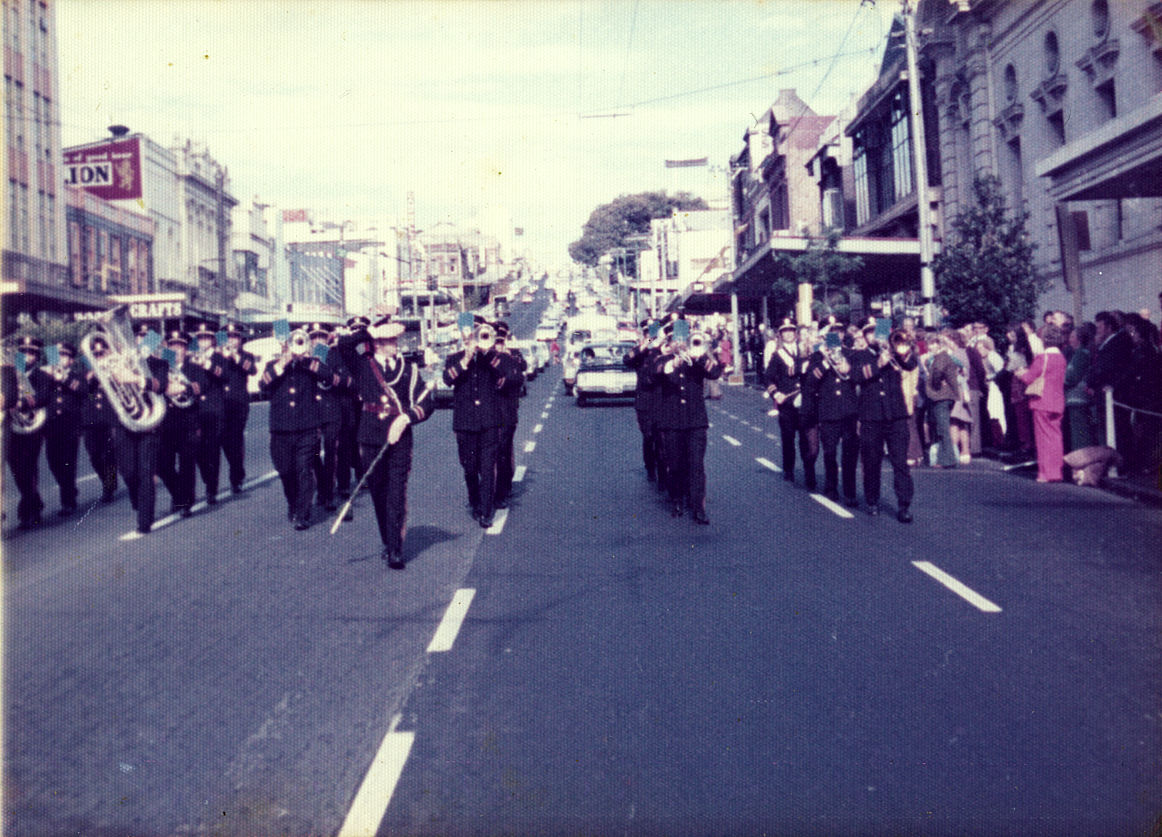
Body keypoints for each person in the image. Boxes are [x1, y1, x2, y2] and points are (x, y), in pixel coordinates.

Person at [350, 316, 433, 569]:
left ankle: (396, 549)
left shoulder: (409, 369)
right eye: (388, 340)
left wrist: (406, 418)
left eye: (394, 339)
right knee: (379, 493)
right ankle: (388, 541)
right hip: (371, 435)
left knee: (396, 493)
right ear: (377, 343)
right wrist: (369, 329)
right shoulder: (362, 366)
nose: (395, 343)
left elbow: (426, 403)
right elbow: (344, 345)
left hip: (400, 437)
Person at [260, 326, 333, 530]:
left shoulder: (310, 365)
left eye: (300, 343)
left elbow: (328, 376)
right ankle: (293, 503)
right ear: (284, 346)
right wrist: (283, 363)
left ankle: (303, 513)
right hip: (280, 429)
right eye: (291, 344)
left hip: (307, 428)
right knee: (285, 471)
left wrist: (308, 361)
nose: (294, 348)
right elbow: (263, 385)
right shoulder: (272, 365)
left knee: (304, 470)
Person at [650, 321, 721, 523]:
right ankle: (677, 500)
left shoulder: (699, 360)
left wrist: (704, 357)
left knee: (696, 465)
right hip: (672, 422)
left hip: (696, 421)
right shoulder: (662, 359)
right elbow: (653, 374)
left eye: (683, 339)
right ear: (670, 342)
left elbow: (715, 373)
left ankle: (698, 507)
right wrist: (674, 363)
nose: (680, 343)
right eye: (676, 340)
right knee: (675, 464)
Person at [852, 327, 919, 522]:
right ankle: (872, 500)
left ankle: (904, 505)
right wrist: (877, 365)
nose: (875, 337)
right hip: (871, 416)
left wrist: (903, 351)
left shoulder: (894, 354)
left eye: (877, 332)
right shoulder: (860, 355)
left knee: (900, 462)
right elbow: (856, 377)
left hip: (896, 415)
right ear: (865, 337)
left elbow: (911, 364)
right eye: (870, 333)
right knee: (872, 461)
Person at [444, 316, 504, 528]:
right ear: (464, 336)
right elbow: (447, 379)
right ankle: (475, 500)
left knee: (487, 468)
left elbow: (502, 375)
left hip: (488, 422)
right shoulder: (454, 358)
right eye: (471, 335)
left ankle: (486, 511)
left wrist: (485, 353)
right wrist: (466, 359)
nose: (475, 339)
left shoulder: (492, 357)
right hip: (465, 423)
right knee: (469, 468)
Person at [112, 325, 172, 534]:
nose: (142, 342)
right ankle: (140, 504)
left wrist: (135, 379)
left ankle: (144, 521)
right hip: (125, 423)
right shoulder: (119, 364)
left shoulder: (160, 364)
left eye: (147, 338)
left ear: (152, 342)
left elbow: (162, 385)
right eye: (138, 337)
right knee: (128, 472)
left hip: (150, 424)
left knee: (146, 472)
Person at [30, 341, 86, 517]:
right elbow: (27, 385)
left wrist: (64, 379)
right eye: (59, 355)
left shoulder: (77, 376)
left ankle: (67, 502)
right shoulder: (45, 374)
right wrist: (44, 373)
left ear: (71, 360)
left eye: (65, 356)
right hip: (51, 426)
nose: (61, 359)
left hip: (70, 427)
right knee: (54, 464)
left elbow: (84, 391)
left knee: (68, 465)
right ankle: (69, 489)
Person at [803, 330, 859, 505]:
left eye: (839, 333)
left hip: (849, 411)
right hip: (828, 412)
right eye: (832, 334)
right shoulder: (817, 357)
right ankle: (831, 487)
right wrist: (826, 362)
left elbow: (857, 376)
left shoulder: (851, 354)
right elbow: (810, 381)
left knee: (849, 454)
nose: (837, 336)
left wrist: (848, 368)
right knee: (830, 452)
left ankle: (850, 492)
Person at [157, 330, 203, 518]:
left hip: (187, 422)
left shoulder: (194, 367)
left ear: (186, 349)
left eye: (181, 346)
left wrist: (182, 387)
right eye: (173, 346)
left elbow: (198, 388)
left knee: (186, 464)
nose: (176, 350)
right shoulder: (160, 367)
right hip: (165, 423)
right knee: (162, 465)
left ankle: (186, 502)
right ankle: (179, 495)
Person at [4, 336, 47, 528]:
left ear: (37, 357)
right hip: (12, 427)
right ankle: (34, 504)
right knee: (17, 472)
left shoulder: (41, 375)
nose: (27, 356)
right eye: (23, 353)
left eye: (32, 353)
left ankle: (29, 511)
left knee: (28, 470)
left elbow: (42, 398)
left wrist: (19, 402)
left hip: (31, 427)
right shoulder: (10, 373)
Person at [1018, 324, 1067, 483]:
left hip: (1042, 401)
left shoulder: (1042, 358)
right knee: (1055, 437)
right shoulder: (1061, 358)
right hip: (1058, 401)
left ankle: (1045, 473)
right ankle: (1056, 471)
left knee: (1043, 438)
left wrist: (1020, 373)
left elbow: (1029, 378)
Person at [80, 335, 121, 503]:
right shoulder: (85, 373)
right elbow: (81, 391)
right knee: (94, 456)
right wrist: (90, 377)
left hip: (110, 419)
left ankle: (109, 487)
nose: (98, 357)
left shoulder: (114, 371)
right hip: (90, 421)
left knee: (109, 455)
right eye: (95, 354)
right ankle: (106, 481)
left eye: (101, 353)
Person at [623, 319, 664, 487]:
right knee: (649, 437)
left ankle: (663, 475)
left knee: (662, 440)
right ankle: (650, 468)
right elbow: (627, 359)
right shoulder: (640, 352)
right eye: (648, 333)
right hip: (645, 403)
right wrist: (647, 343)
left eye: (653, 333)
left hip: (662, 401)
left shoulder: (662, 350)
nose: (652, 337)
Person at [190, 323, 228, 506]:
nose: (203, 341)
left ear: (213, 339)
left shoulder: (219, 357)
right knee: (197, 450)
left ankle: (211, 489)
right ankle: (207, 478)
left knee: (213, 451)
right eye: (200, 338)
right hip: (197, 411)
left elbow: (224, 374)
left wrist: (207, 364)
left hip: (214, 410)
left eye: (206, 337)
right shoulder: (192, 358)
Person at [218, 322, 258, 493]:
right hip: (219, 404)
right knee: (224, 442)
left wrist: (235, 356)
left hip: (238, 404)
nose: (231, 340)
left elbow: (253, 370)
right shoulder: (218, 356)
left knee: (234, 440)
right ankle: (237, 470)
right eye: (228, 337)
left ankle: (236, 477)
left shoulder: (246, 356)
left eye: (235, 337)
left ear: (240, 340)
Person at [491, 321, 526, 510]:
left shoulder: (512, 355)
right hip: (489, 412)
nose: (498, 345)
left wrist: (508, 355)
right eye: (495, 341)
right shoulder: (487, 356)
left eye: (500, 340)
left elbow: (521, 370)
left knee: (503, 452)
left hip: (507, 411)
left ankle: (503, 489)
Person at [764, 319, 804, 482]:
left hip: (805, 402)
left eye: (791, 330)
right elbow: (768, 379)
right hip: (787, 403)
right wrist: (776, 394)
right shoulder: (777, 355)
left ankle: (809, 470)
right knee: (788, 438)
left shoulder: (804, 351)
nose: (788, 333)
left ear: (795, 333)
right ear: (780, 335)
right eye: (785, 331)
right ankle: (789, 469)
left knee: (807, 439)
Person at [924, 334, 961, 468]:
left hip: (941, 397)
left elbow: (938, 372)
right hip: (944, 396)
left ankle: (948, 460)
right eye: (929, 344)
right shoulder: (943, 357)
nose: (930, 347)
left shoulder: (941, 358)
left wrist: (936, 384)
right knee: (942, 428)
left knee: (943, 429)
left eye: (933, 344)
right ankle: (945, 458)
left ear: (939, 345)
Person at [1063, 322, 1095, 453]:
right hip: (1075, 398)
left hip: (1078, 398)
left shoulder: (1081, 353)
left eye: (1072, 337)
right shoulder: (1079, 353)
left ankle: (1083, 461)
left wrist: (1059, 382)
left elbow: (1071, 376)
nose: (1070, 340)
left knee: (1080, 433)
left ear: (1079, 339)